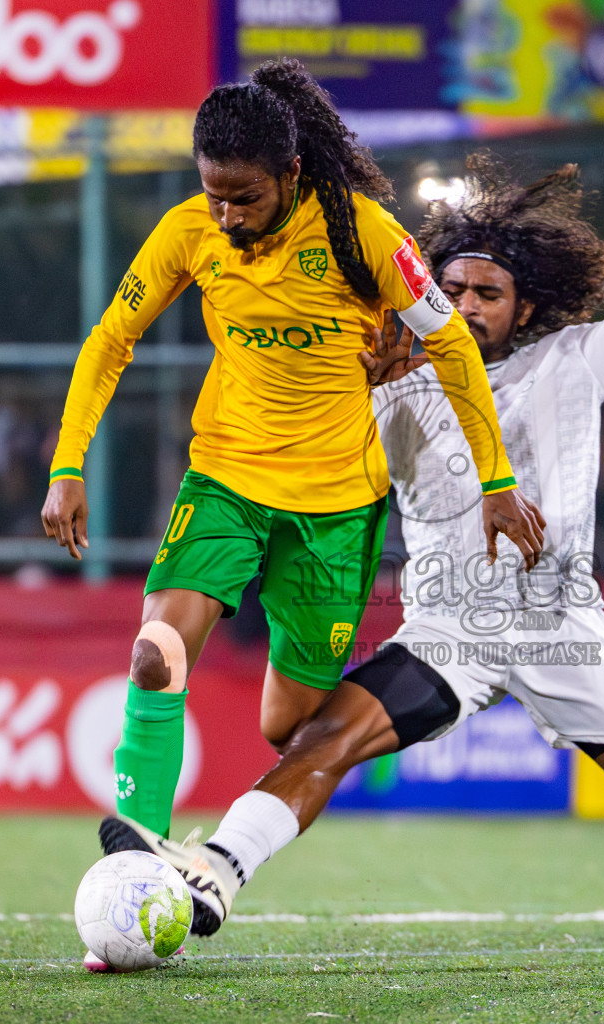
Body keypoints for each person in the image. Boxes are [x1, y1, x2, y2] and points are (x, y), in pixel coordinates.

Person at [103, 143, 604, 958]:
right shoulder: (391, 378)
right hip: (449, 629)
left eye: (487, 293)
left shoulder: (575, 360)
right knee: (326, 740)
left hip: (563, 629)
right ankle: (216, 868)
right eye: (451, 288)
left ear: (525, 309)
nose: (464, 304)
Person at [41, 59, 545, 963]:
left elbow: (455, 350)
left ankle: (245, 830)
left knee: (291, 730)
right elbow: (113, 337)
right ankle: (144, 857)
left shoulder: (364, 237)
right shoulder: (188, 232)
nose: (227, 216)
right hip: (227, 482)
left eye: (244, 198)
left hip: (336, 509)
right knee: (156, 654)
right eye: (214, 195)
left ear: (292, 177)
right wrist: (68, 460)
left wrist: (497, 483)